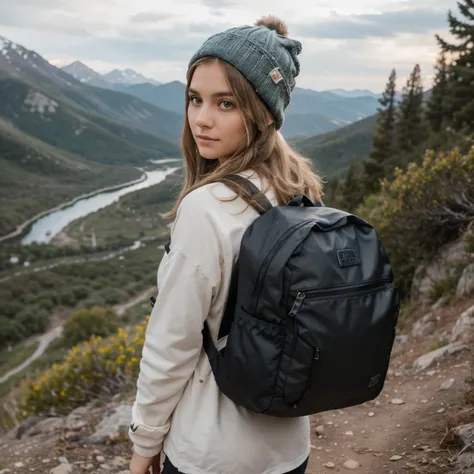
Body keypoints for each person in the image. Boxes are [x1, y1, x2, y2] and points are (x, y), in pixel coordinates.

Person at [129, 14, 324, 474]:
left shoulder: (206, 208)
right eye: (194, 99)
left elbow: (170, 344)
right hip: (287, 446)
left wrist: (145, 445)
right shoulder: (300, 191)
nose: (201, 118)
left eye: (226, 104)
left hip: (210, 452)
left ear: (261, 113)